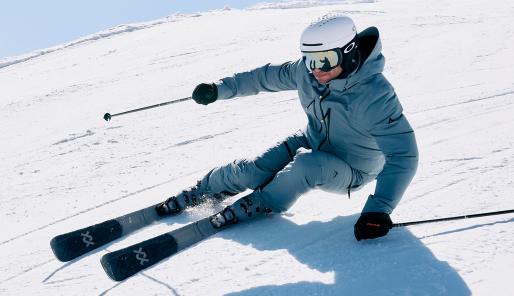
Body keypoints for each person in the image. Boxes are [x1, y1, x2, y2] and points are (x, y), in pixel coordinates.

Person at [158, 14, 418, 241]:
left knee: (307, 165)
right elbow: (263, 77)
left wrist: (378, 209)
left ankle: (263, 201)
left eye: (325, 59)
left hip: (354, 168)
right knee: (253, 169)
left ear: (349, 52)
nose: (316, 69)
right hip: (311, 139)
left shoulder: (375, 95)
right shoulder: (307, 72)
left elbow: (404, 155)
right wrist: (219, 89)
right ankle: (206, 189)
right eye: (310, 60)